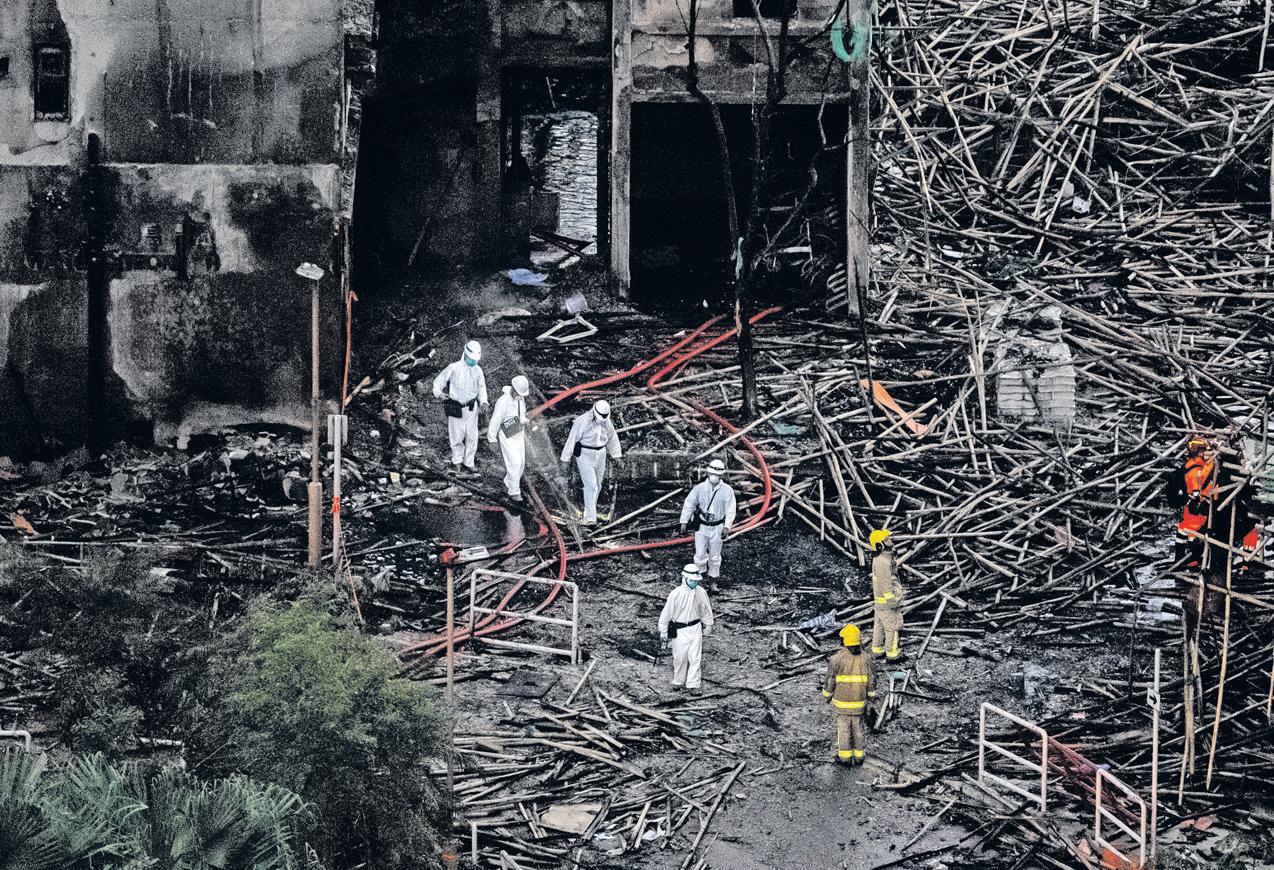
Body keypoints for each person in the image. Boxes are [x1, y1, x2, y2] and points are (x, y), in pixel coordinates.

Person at [559, 399, 622, 525]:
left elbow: (612, 438)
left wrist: (617, 456)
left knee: (598, 485)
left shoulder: (607, 422)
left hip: (601, 453)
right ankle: (590, 519)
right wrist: (565, 459)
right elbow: (572, 440)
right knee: (591, 486)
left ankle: (589, 512)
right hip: (585, 454)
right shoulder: (582, 421)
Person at [822, 624, 877, 766]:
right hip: (860, 702)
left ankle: (845, 758)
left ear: (844, 641)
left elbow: (830, 679)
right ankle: (859, 757)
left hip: (842, 702)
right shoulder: (866, 659)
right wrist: (871, 696)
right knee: (858, 729)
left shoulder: (836, 659)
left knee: (844, 729)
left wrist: (826, 695)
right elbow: (872, 680)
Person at [679, 458, 737, 587]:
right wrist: (684, 521)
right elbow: (689, 503)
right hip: (702, 527)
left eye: (717, 475)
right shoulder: (699, 488)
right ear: (708, 473)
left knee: (715, 555)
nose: (714, 477)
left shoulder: (727, 490)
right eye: (713, 474)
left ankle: (713, 582)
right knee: (700, 554)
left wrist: (727, 526)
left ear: (721, 475)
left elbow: (731, 509)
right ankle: (699, 579)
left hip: (717, 526)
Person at [432, 341, 488, 472]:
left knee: (472, 436)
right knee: (456, 436)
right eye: (471, 359)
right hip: (456, 407)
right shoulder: (454, 367)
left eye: (475, 360)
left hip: (471, 408)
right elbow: (438, 381)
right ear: (465, 354)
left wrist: (483, 401)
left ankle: (469, 462)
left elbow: (482, 387)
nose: (473, 362)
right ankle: (457, 461)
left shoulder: (478, 370)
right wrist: (439, 393)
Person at [658, 563, 715, 691]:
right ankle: (678, 681)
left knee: (695, 657)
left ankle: (693, 685)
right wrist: (663, 630)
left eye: (696, 580)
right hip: (680, 629)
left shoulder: (700, 592)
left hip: (695, 627)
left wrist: (708, 624)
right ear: (685, 578)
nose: (695, 583)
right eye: (692, 580)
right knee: (679, 657)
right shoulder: (676, 594)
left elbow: (705, 608)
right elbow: (667, 613)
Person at [488, 375, 531, 502]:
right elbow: (495, 420)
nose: (519, 395)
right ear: (513, 389)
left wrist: (527, 421)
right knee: (514, 463)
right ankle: (514, 493)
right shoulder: (503, 401)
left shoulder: (520, 399)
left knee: (521, 463)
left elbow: (521, 415)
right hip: (507, 435)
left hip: (518, 431)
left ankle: (508, 483)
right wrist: (492, 439)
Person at [869, 529, 904, 661]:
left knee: (879, 625)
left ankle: (877, 649)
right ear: (880, 543)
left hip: (880, 603)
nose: (891, 539)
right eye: (887, 538)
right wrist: (893, 600)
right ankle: (892, 653)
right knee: (892, 626)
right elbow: (886, 583)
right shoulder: (882, 562)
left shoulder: (881, 558)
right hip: (887, 602)